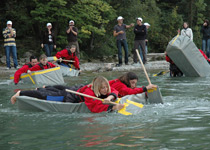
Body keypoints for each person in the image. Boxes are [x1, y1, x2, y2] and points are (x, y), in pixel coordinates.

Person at [11, 76, 124, 113]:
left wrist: (110, 97)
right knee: (45, 95)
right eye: (102, 88)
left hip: (76, 89)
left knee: (53, 91)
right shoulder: (89, 92)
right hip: (70, 96)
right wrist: (112, 106)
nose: (105, 90)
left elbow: (115, 91)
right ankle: (20, 93)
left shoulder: (107, 90)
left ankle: (42, 88)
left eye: (106, 88)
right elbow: (94, 106)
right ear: (97, 88)